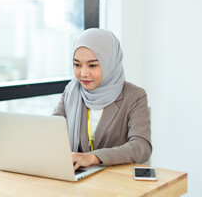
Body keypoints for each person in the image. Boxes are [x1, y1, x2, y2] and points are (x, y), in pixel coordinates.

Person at [53, 28, 152, 171]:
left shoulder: (135, 96)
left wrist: (93, 157)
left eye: (92, 65)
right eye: (77, 65)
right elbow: (53, 130)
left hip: (116, 180)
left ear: (110, 64)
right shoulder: (71, 91)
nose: (83, 74)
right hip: (76, 176)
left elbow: (141, 147)